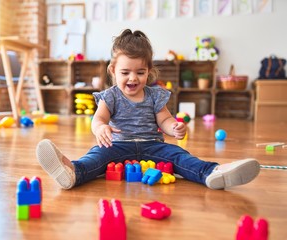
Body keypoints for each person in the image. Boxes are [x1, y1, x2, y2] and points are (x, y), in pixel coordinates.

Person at [36, 29, 260, 190]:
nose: (133, 78)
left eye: (140, 72)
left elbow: (164, 119)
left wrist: (173, 127)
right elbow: (98, 119)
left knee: (180, 156)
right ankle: (72, 172)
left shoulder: (155, 95)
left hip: (153, 146)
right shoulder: (110, 95)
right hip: (117, 146)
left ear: (149, 71)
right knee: (95, 157)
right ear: (113, 70)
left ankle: (212, 172)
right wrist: (100, 128)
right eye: (125, 73)